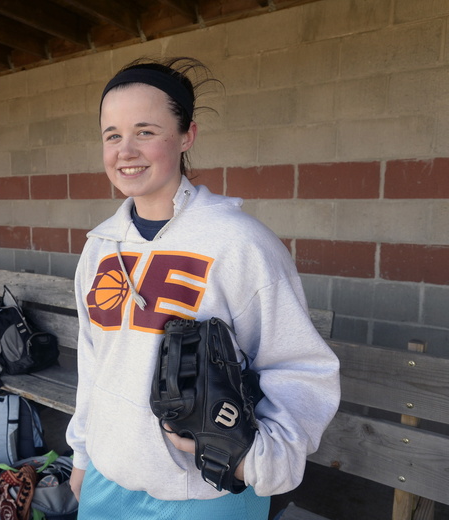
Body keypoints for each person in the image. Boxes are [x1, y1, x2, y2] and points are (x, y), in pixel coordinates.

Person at [65, 57, 341, 519]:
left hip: (205, 493)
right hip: (107, 481)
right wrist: (83, 456)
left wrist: (258, 462)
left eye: (145, 131)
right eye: (112, 135)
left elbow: (299, 369)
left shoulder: (240, 243)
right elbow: (93, 362)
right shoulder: (98, 248)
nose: (125, 150)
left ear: (186, 135)